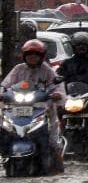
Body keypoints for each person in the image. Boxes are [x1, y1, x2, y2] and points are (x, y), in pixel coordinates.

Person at [1, 40, 66, 174]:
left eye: (36, 55)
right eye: (29, 54)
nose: (32, 57)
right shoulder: (18, 69)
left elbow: (58, 87)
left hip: (42, 109)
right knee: (4, 129)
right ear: (24, 56)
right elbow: (5, 85)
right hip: (16, 109)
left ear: (41, 56)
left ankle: (56, 164)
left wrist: (57, 94)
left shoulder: (47, 71)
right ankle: (5, 154)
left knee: (52, 140)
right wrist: (2, 94)